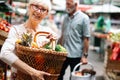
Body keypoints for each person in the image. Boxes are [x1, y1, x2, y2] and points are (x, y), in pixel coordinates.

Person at [0, 0, 57, 80]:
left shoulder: (48, 33)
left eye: (43, 9)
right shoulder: (16, 30)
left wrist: (53, 43)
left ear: (46, 14)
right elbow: (4, 54)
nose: (38, 11)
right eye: (36, 6)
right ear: (29, 7)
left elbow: (51, 60)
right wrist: (33, 72)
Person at [57, 0, 90, 80]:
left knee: (74, 77)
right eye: (66, 3)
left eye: (68, 4)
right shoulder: (65, 18)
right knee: (58, 75)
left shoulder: (84, 18)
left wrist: (85, 56)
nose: (66, 6)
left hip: (76, 55)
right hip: (63, 54)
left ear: (75, 4)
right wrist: (57, 49)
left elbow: (86, 38)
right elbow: (62, 35)